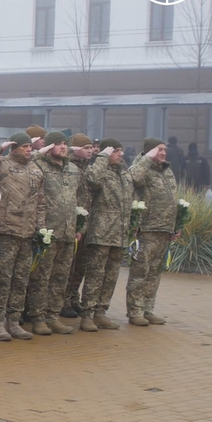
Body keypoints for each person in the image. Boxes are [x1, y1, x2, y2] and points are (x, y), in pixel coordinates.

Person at [0, 132, 45, 342]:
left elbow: (41, 203)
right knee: (3, 279)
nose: (29, 150)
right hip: (5, 230)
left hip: (27, 233)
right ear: (14, 147)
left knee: (20, 280)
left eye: (30, 146)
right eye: (24, 146)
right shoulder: (1, 164)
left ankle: (14, 320)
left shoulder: (35, 170)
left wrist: (41, 228)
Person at [24, 132, 82, 336]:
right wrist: (42, 152)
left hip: (67, 231)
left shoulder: (73, 170)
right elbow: (28, 160)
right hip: (47, 231)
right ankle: (38, 318)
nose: (63, 147)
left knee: (60, 277)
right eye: (58, 144)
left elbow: (78, 198)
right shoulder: (39, 165)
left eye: (65, 143)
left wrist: (78, 227)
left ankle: (53, 316)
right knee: (41, 277)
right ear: (49, 147)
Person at [79, 139, 133, 332]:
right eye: (115, 151)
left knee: (111, 276)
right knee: (95, 275)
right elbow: (91, 179)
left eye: (121, 150)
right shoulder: (100, 171)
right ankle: (87, 314)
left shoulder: (124, 175)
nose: (120, 154)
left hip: (119, 234)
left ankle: (101, 312)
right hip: (101, 233)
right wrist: (101, 156)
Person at [126, 138, 178, 326]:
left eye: (164, 150)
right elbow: (133, 179)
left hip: (164, 230)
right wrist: (147, 159)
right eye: (159, 150)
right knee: (140, 273)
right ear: (149, 152)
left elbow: (172, 199)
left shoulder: (167, 171)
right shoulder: (141, 167)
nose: (163, 153)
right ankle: (135, 311)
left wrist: (175, 226)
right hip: (146, 230)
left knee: (154, 273)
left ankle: (148, 309)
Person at [62, 134, 97, 318]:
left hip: (85, 223)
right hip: (72, 223)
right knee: (70, 264)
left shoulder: (87, 169)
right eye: (86, 147)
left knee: (80, 265)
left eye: (91, 148)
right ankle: (64, 300)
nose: (90, 151)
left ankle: (73, 296)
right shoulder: (69, 166)